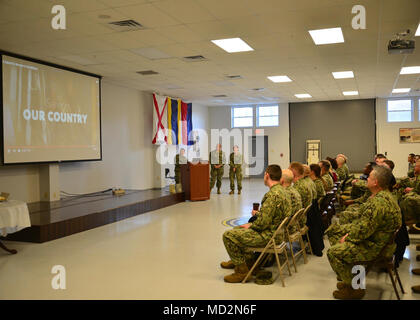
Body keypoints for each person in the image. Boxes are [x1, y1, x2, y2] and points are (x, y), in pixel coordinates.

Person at [327, 166, 401, 299]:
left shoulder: (378, 203)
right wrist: (347, 233)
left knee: (333, 253)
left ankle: (355, 289)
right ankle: (351, 278)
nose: (367, 179)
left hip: (375, 246)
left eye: (370, 177)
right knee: (333, 231)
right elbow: (364, 225)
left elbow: (363, 231)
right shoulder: (384, 195)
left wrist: (348, 238)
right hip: (377, 239)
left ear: (376, 182)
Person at [220, 165, 292, 283]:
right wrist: (257, 217)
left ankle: (242, 272)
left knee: (228, 236)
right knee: (238, 229)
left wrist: (252, 225)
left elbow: (263, 224)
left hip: (269, 236)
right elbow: (271, 216)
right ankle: (249, 264)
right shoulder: (283, 192)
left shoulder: (272, 195)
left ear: (267, 175)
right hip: (277, 234)